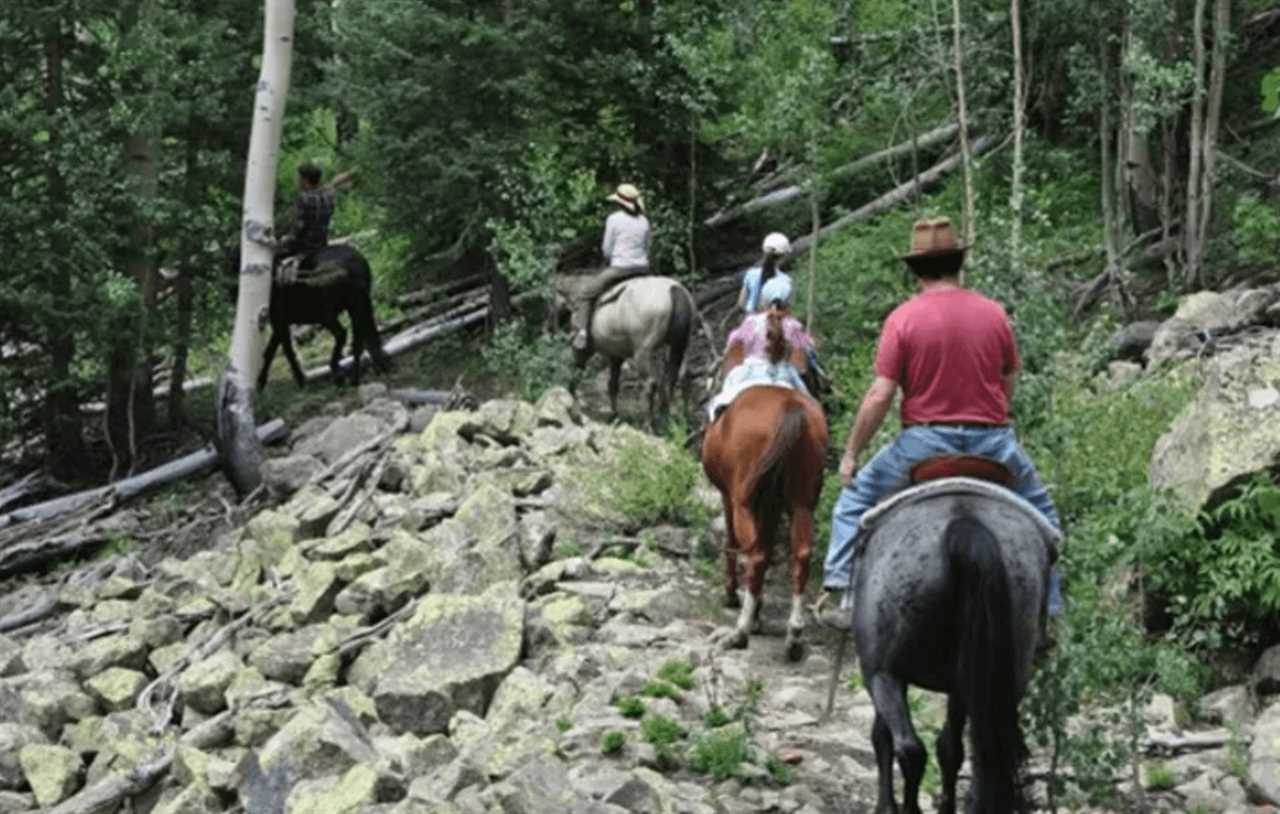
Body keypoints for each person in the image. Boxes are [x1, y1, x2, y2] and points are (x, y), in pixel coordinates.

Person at [820, 216, 1063, 620]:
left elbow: (881, 393)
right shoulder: (994, 313)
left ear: (915, 269)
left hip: (922, 445)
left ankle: (839, 587)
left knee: (853, 501)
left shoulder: (903, 318)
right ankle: (1051, 609)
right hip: (993, 444)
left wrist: (850, 453)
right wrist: (993, 416)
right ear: (959, 262)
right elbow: (1008, 378)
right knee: (1047, 519)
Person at [709, 275, 814, 420]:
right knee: (812, 407)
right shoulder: (793, 325)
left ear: (763, 299)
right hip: (784, 375)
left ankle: (709, 428)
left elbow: (733, 342)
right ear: (789, 302)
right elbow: (804, 358)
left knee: (718, 402)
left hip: (750, 373)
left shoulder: (752, 322)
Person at [738, 232, 828, 392]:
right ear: (784, 256)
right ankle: (822, 379)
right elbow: (787, 310)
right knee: (808, 351)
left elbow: (741, 303)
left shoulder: (750, 274)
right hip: (779, 325)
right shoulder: (785, 281)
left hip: (750, 322)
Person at [569, 183, 652, 352]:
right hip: (642, 268)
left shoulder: (614, 219)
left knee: (585, 293)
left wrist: (610, 258)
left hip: (620, 269)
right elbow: (647, 246)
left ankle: (582, 333)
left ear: (620, 203)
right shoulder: (644, 220)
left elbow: (607, 248)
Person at [281, 162, 336, 269]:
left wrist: (287, 238)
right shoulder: (329, 197)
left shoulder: (303, 198)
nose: (296, 181)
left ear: (305, 180)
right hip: (322, 243)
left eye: (298, 178)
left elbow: (300, 226)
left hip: (304, 246)